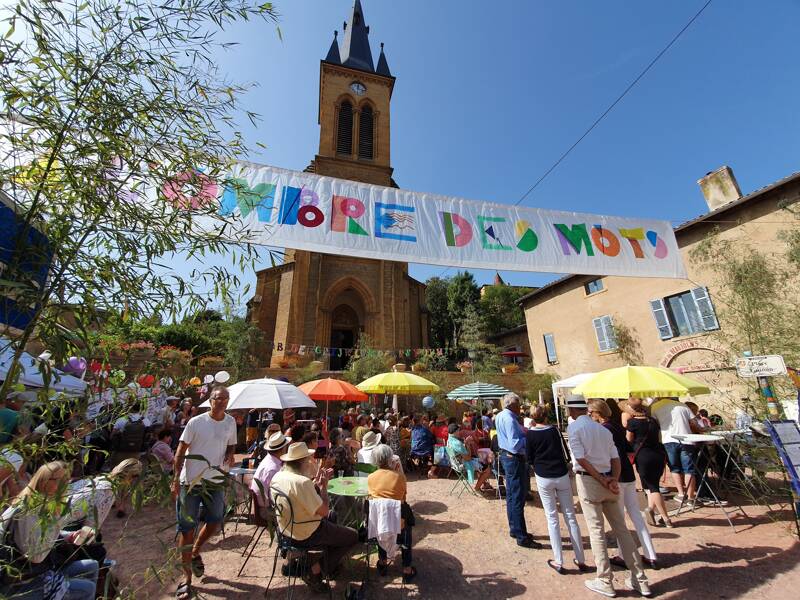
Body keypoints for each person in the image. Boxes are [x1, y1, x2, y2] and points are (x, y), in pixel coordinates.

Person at [567, 395, 650, 598]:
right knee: (621, 528)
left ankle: (604, 579)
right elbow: (615, 457)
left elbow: (580, 458)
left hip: (589, 480)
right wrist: (613, 478)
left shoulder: (575, 428)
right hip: (609, 479)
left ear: (570, 410)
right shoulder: (602, 429)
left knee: (596, 530)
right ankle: (640, 579)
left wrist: (601, 479)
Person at [171, 385, 237, 600]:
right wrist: (175, 480)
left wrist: (230, 455)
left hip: (215, 481)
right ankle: (186, 578)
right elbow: (180, 450)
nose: (222, 402)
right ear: (210, 400)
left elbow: (231, 445)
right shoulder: (196, 422)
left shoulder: (230, 422)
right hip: (191, 482)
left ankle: (196, 551)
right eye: (218, 398)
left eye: (225, 399)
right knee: (187, 528)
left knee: (216, 520)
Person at [0, 461, 99, 600]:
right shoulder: (29, 509)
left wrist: (68, 536)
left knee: (91, 565)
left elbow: (43, 537)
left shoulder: (43, 503)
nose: (65, 484)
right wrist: (56, 521)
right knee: (87, 589)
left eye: (67, 479)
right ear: (43, 481)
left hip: (36, 571)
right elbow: (35, 556)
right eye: (61, 480)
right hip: (19, 581)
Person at [270, 442, 359, 593]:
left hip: (286, 529)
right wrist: (323, 487)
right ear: (303, 461)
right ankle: (316, 570)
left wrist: (315, 486)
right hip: (307, 532)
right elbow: (323, 510)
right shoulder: (302, 483)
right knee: (353, 535)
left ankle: (329, 562)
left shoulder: (278, 477)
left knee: (333, 517)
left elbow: (297, 495)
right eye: (309, 458)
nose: (311, 460)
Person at [588, 399, 658, 569]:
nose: (589, 415)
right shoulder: (617, 426)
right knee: (635, 514)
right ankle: (651, 554)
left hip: (616, 476)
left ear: (598, 413)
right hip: (627, 473)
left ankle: (624, 556)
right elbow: (629, 448)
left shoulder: (603, 430)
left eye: (591, 412)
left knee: (618, 519)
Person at [526, 405, 586, 574]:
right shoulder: (554, 431)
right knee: (570, 517)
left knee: (552, 517)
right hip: (560, 474)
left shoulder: (530, 434)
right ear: (545, 416)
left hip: (543, 476)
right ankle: (580, 559)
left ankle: (559, 561)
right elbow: (565, 452)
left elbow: (529, 458)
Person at [495, 393, 539, 548]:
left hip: (507, 457)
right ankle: (521, 536)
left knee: (512, 496)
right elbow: (514, 444)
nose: (520, 407)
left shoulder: (501, 416)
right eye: (518, 404)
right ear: (511, 405)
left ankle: (515, 529)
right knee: (518, 497)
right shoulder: (509, 418)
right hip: (513, 458)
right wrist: (528, 436)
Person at [368, 444, 417, 583]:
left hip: (379, 525)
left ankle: (382, 561)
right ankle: (407, 568)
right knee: (407, 518)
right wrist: (397, 474)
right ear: (391, 458)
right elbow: (403, 499)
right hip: (398, 523)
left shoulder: (371, 478)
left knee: (381, 515)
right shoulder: (399, 477)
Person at [626, 401, 672, 528]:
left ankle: (666, 518)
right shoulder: (653, 421)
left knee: (653, 487)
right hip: (657, 454)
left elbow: (629, 439)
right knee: (651, 485)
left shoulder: (632, 422)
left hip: (643, 456)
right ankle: (650, 508)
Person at [650, 397, 702, 503]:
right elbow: (693, 423)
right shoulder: (683, 406)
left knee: (674, 468)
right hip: (687, 439)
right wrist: (701, 431)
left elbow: (654, 425)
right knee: (689, 470)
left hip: (668, 439)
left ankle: (681, 493)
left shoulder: (655, 407)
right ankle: (691, 497)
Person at [67, 459, 142, 530]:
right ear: (131, 478)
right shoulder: (108, 491)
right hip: (62, 519)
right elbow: (92, 524)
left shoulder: (98, 479)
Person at [446, 424, 493, 493]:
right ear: (455, 431)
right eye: (458, 431)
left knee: (480, 462)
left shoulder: (449, 440)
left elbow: (462, 454)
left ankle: (484, 483)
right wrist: (468, 445)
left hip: (455, 464)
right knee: (487, 469)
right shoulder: (457, 443)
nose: (459, 432)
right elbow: (468, 458)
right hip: (462, 465)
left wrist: (465, 444)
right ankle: (477, 488)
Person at [250, 431, 291, 507]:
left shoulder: (269, 460)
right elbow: (277, 498)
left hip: (264, 504)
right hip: (268, 509)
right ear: (283, 449)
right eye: (286, 446)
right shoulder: (274, 469)